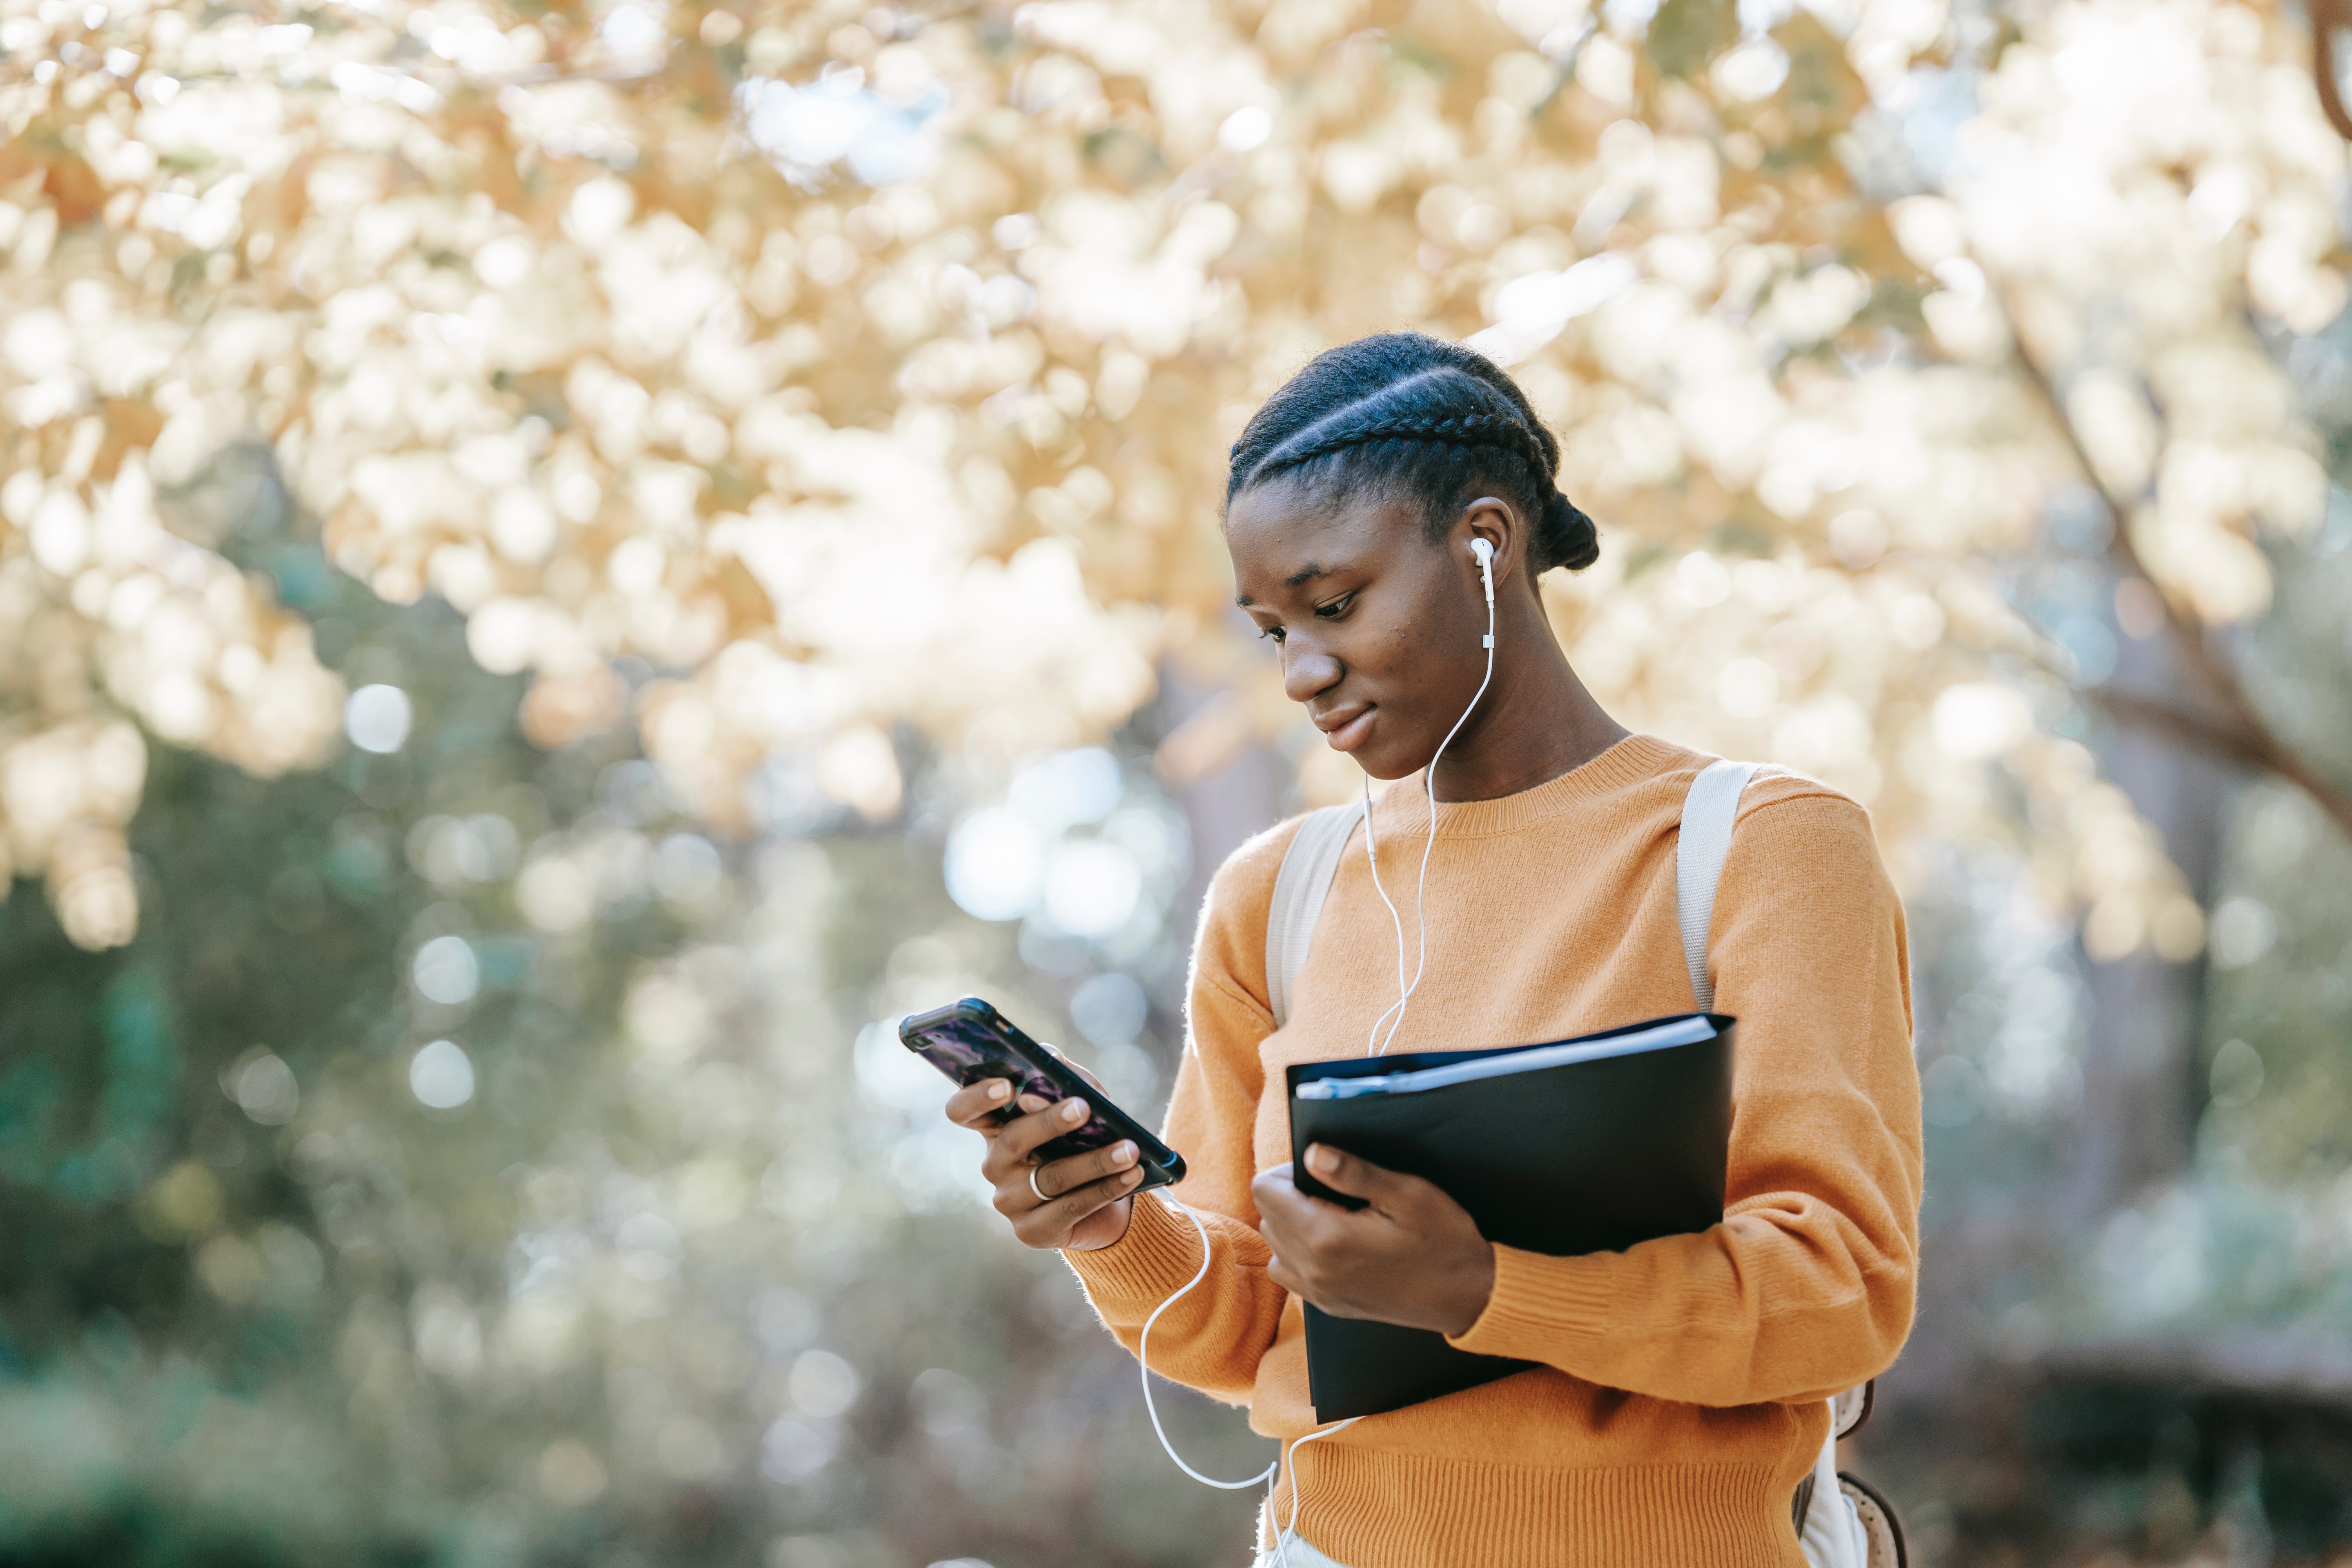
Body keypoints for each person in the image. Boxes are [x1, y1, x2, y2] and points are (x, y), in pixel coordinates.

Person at [942, 332, 1922, 1568]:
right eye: (1272, 631)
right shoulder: (1277, 896)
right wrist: (1109, 1226)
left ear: (1487, 544)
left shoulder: (1759, 848)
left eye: (1336, 604)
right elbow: (1241, 1328)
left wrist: (1480, 1288)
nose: (1302, 670)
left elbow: (1841, 1292)